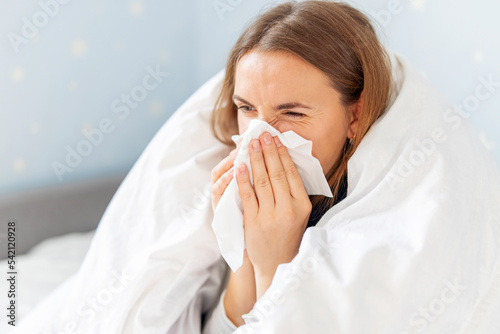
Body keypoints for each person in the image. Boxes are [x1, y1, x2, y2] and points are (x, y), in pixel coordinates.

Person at [206, 1, 394, 331]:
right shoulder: (239, 192)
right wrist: (245, 255)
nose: (259, 137)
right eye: (247, 107)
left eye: (293, 114)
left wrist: (274, 264)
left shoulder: (368, 231)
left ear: (355, 114)